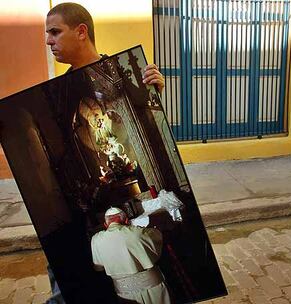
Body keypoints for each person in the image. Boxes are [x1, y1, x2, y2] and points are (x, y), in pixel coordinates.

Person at [44, 3, 165, 303]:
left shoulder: (120, 72)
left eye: (55, 32)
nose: (48, 41)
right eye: (48, 34)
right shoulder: (59, 93)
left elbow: (152, 130)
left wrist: (154, 95)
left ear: (81, 32)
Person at [91, 207, 171, 304]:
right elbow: (157, 236)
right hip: (152, 287)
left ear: (105, 225)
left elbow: (99, 267)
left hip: (124, 293)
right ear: (127, 221)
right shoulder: (137, 232)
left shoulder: (96, 240)